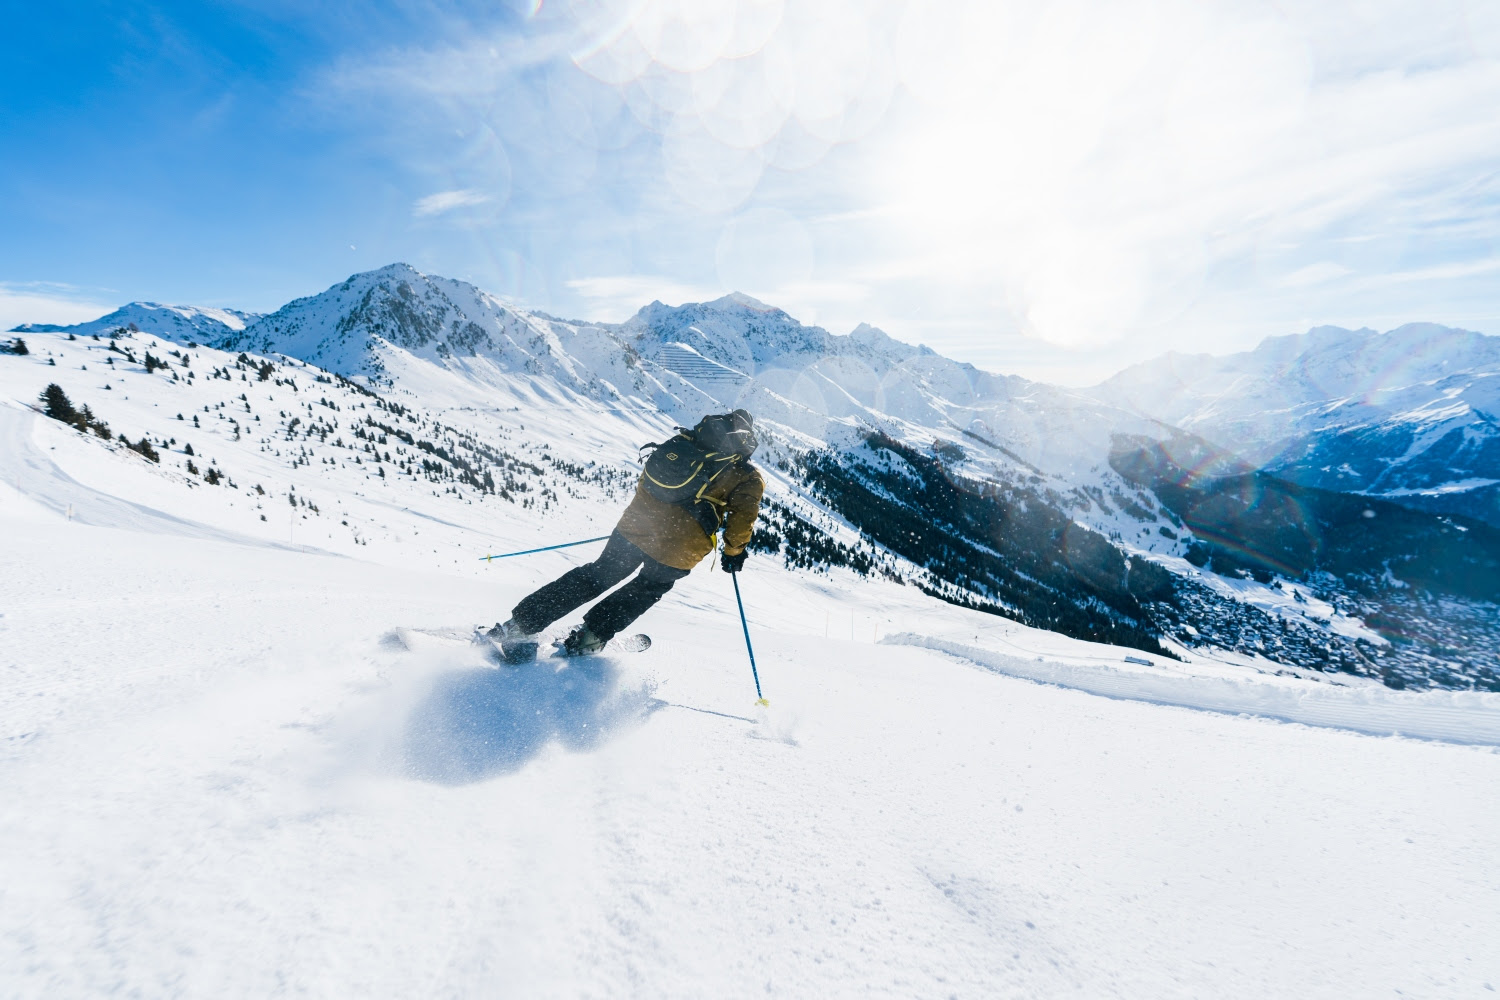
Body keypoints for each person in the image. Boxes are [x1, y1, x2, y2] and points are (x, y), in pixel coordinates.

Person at [483, 409, 764, 660]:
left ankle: (519, 626)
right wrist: (733, 553)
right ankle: (589, 638)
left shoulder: (685, 444)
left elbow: (650, 480)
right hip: (679, 549)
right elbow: (742, 520)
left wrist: (646, 519)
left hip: (636, 526)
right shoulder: (746, 475)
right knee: (644, 589)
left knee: (597, 575)